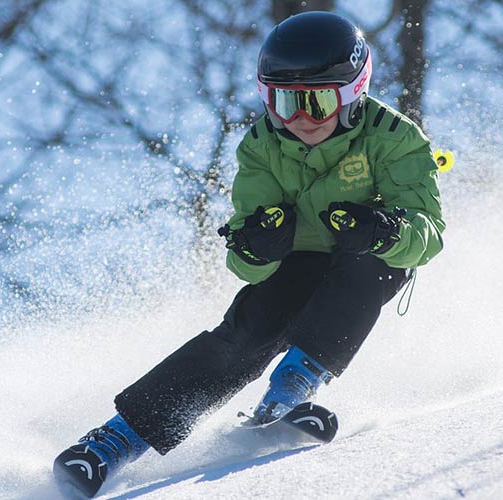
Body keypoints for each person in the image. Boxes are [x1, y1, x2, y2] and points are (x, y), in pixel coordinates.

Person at [53, 11, 445, 497]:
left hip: (363, 256)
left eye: (317, 102)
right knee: (247, 331)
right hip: (297, 261)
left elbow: (428, 235)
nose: (299, 119)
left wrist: (384, 230)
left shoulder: (395, 137)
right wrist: (257, 245)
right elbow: (243, 261)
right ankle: (115, 441)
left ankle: (289, 391)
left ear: (352, 94)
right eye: (283, 102)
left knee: (372, 267)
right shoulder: (261, 145)